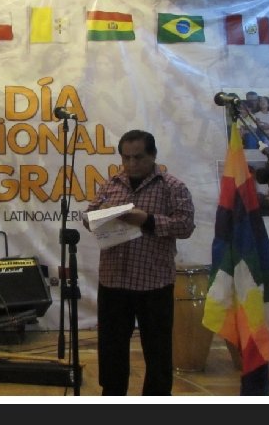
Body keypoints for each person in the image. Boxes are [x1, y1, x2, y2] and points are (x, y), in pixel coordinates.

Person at [83, 129, 195, 395]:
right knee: (111, 351)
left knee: (158, 353)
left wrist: (148, 220)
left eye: (138, 157)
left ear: (153, 155)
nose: (131, 164)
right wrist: (96, 218)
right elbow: (90, 214)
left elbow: (185, 225)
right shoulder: (111, 184)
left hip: (153, 283)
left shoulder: (172, 186)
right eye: (126, 158)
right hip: (113, 281)